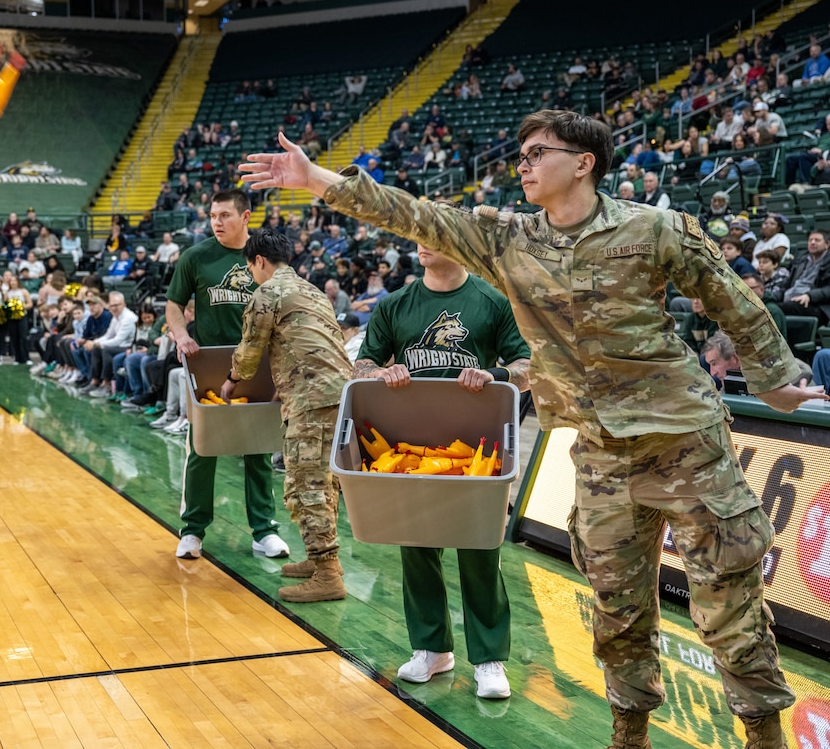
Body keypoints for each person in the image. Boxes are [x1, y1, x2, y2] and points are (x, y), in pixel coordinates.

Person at [240, 111, 827, 748]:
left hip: (686, 444)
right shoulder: (509, 238)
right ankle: (628, 737)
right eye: (519, 154)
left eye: (537, 152)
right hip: (600, 452)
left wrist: (773, 373)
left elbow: (731, 299)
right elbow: (413, 214)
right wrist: (318, 178)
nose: (521, 164)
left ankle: (765, 738)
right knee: (616, 608)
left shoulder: (655, 227)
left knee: (729, 606)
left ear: (584, 163)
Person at [353, 244, 531, 699]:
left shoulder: (493, 301)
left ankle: (489, 658)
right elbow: (362, 363)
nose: (422, 242)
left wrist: (496, 375)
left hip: (479, 448)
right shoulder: (395, 304)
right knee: (416, 545)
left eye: (433, 232)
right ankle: (432, 649)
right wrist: (380, 375)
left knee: (479, 550)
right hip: (411, 446)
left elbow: (528, 365)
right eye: (417, 233)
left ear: (457, 239)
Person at [219, 229, 351, 602]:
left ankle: (327, 575)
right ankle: (321, 560)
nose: (252, 275)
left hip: (311, 401)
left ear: (259, 261)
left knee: (305, 485)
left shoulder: (267, 292)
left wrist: (231, 381)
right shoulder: (312, 291)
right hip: (341, 396)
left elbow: (249, 351)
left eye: (250, 268)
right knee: (326, 483)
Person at [167, 188, 289, 561]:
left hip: (257, 363)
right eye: (213, 215)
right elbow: (174, 305)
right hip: (209, 363)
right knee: (202, 449)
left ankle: (264, 531)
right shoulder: (195, 256)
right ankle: (192, 531)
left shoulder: (266, 257)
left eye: (225, 215)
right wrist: (182, 334)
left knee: (258, 446)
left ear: (246, 216)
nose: (217, 222)